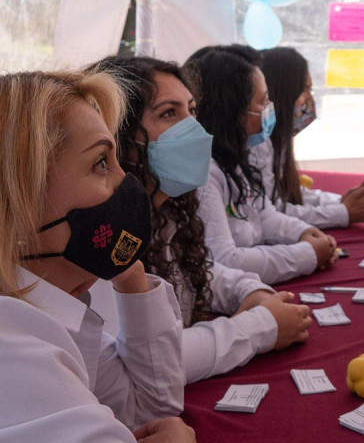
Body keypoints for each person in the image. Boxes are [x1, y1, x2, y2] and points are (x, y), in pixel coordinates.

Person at [91, 56, 313, 383]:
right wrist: (260, 326)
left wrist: (250, 292)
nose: (194, 129)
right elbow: (141, 363)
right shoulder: (97, 234)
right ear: (119, 133)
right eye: (169, 113)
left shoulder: (167, 211)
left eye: (192, 111)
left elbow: (199, 271)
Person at [0, 70, 194, 442]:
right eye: (101, 163)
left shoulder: (53, 298)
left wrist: (131, 276)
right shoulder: (13, 348)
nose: (126, 181)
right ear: (21, 195)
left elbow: (149, 410)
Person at [185, 45, 338, 282]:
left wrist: (304, 232)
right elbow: (224, 260)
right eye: (263, 101)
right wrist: (306, 254)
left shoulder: (237, 156)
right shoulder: (205, 173)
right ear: (233, 110)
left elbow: (262, 213)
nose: (269, 108)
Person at [257, 47, 364, 227]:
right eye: (304, 90)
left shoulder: (277, 141)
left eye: (311, 90)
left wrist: (341, 202)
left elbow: (287, 195)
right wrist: (343, 212)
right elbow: (271, 213)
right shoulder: (258, 145)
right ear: (281, 92)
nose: (310, 100)